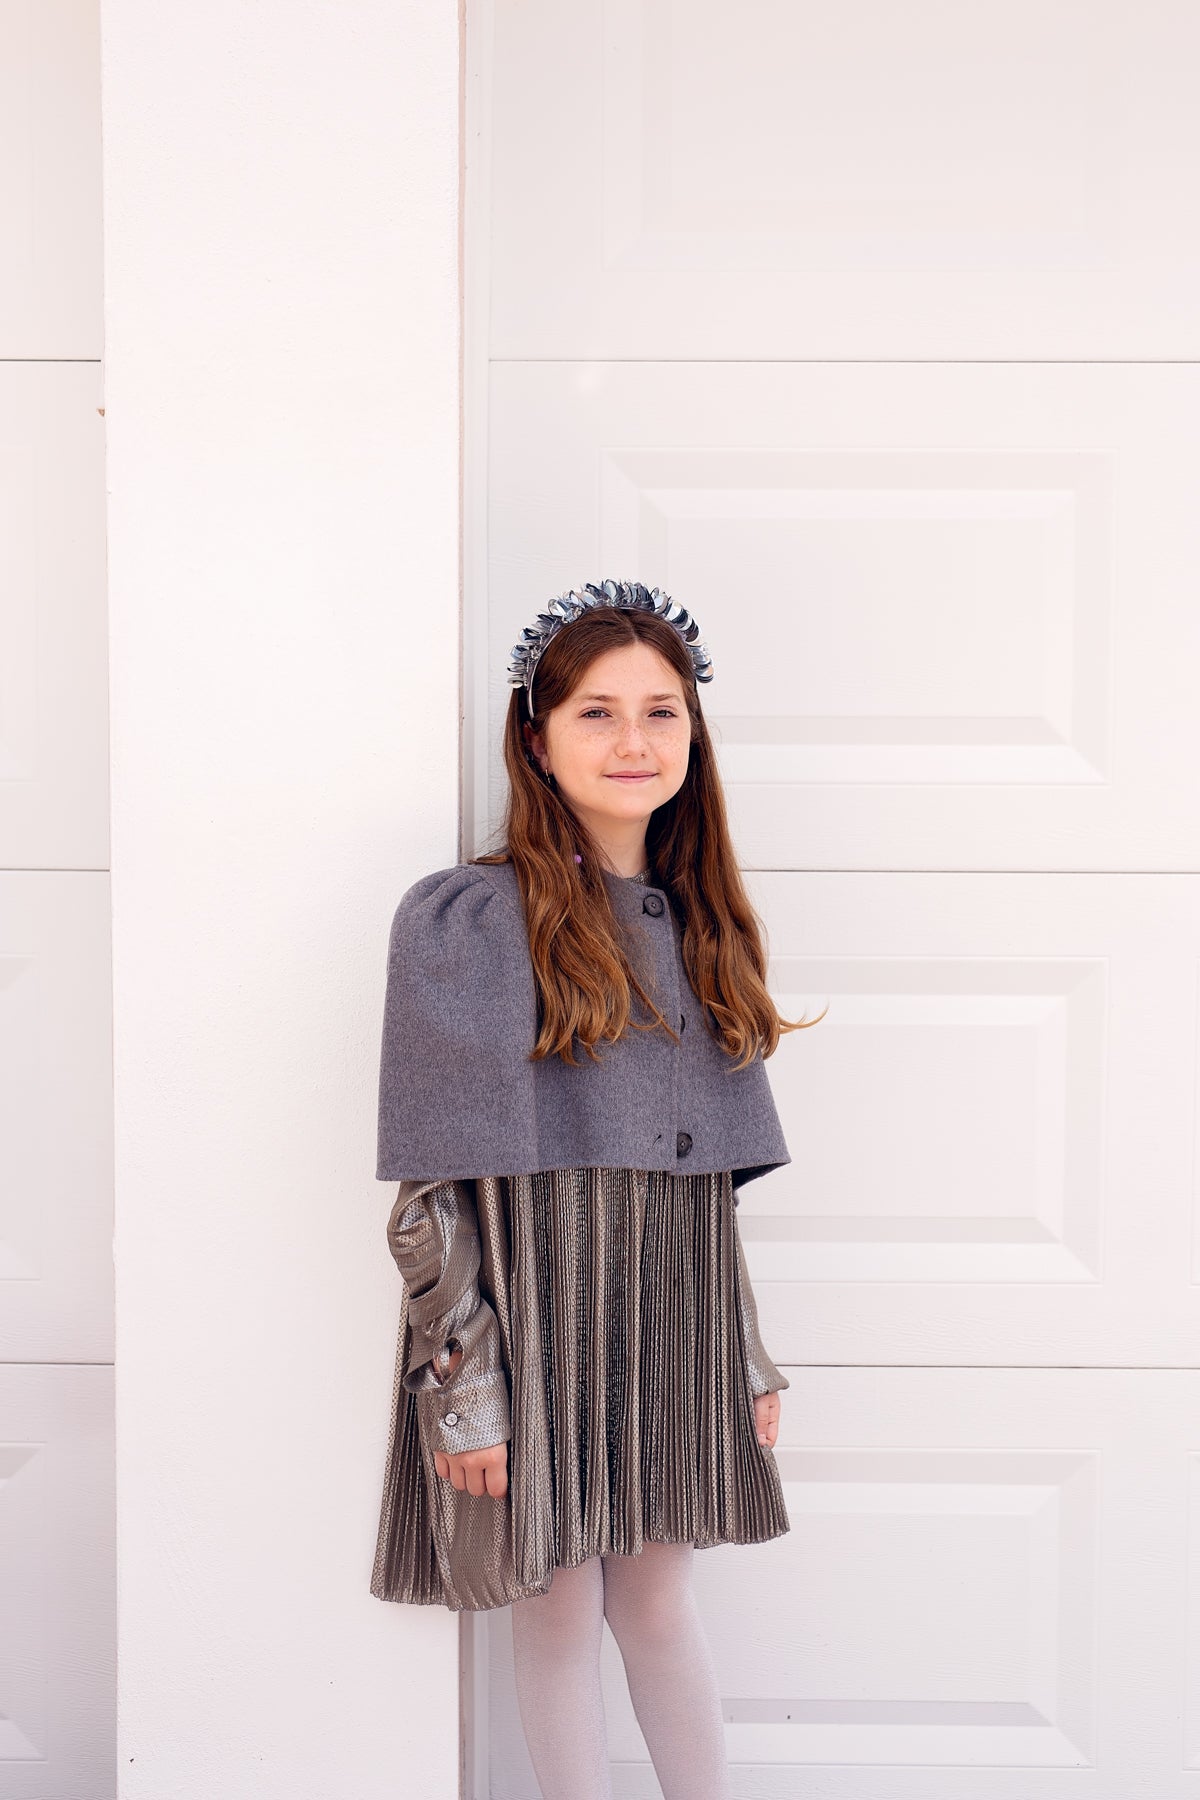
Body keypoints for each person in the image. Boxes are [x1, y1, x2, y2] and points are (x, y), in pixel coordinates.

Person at [370, 579, 826, 1799]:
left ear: (693, 735)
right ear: (537, 735)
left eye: (661, 713)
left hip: (669, 1309)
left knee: (661, 1602)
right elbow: (437, 1186)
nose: (634, 742)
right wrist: (464, 1380)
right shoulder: (469, 920)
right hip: (534, 1301)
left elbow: (705, 1190)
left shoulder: (701, 925)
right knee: (558, 1604)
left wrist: (742, 1350)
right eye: (597, 713)